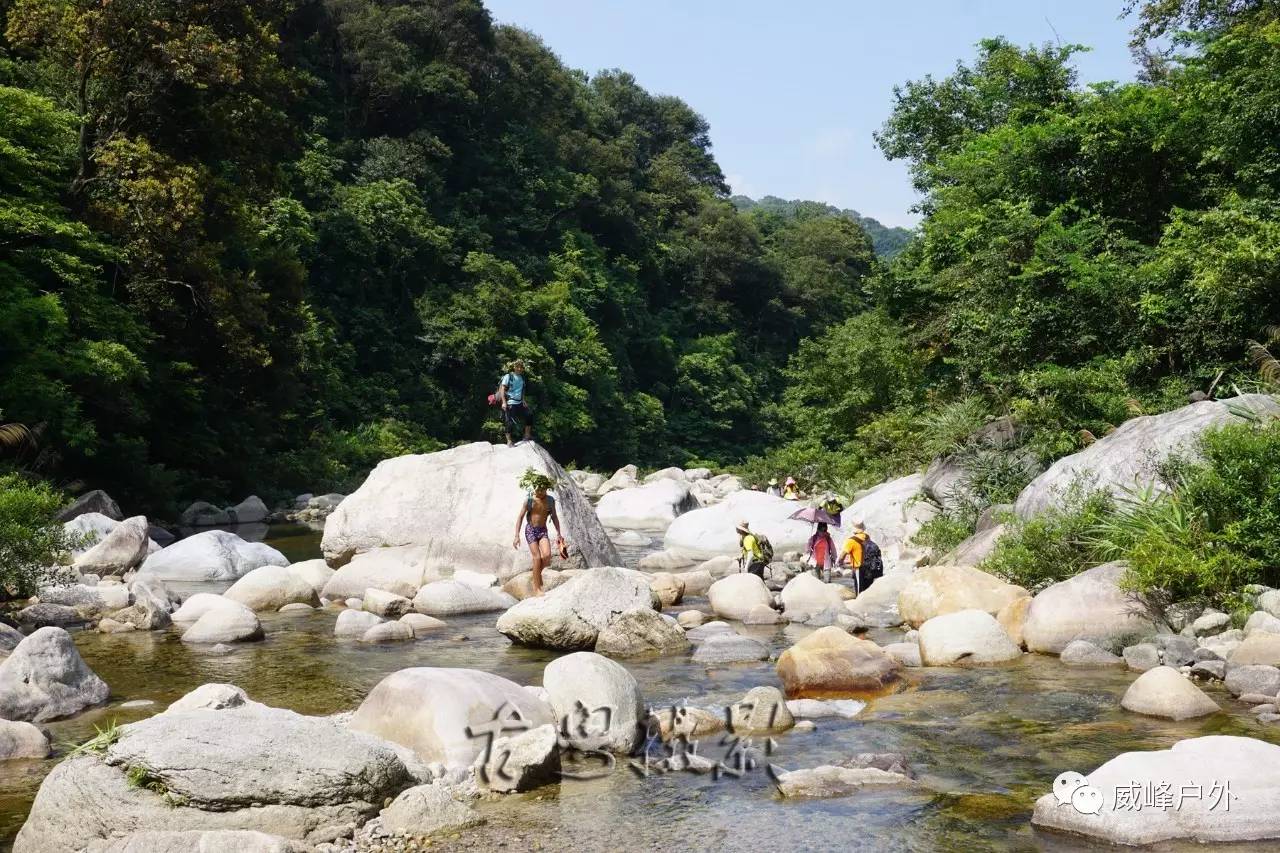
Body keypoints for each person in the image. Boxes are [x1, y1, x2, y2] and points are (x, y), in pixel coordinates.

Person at [512, 477, 564, 595]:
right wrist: (516, 536)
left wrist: (559, 533)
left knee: (547, 556)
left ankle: (535, 575)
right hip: (530, 530)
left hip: (542, 531)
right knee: (537, 558)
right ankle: (537, 588)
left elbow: (554, 516)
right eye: (537, 489)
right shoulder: (529, 500)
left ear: (546, 489)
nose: (539, 492)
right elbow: (520, 517)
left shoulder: (550, 501)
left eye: (542, 490)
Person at [498, 359, 534, 446]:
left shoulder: (522, 378)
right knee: (509, 422)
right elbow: (502, 389)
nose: (519, 369)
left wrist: (523, 400)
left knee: (529, 414)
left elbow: (522, 390)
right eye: (517, 367)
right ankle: (509, 441)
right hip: (510, 402)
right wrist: (504, 402)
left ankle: (527, 435)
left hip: (519, 402)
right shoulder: (508, 376)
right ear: (514, 367)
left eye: (521, 367)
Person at [839, 521, 883, 593]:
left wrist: (840, 563)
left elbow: (842, 555)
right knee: (868, 591)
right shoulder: (867, 537)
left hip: (859, 569)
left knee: (860, 592)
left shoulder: (851, 541)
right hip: (870, 568)